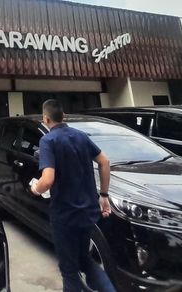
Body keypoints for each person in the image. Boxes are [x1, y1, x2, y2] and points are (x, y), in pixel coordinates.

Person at [31, 100, 116, 292]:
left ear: (45, 118)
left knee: (69, 270)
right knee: (84, 259)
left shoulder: (48, 141)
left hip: (64, 215)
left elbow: (47, 179)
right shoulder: (81, 136)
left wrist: (36, 189)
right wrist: (104, 195)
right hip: (87, 211)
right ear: (64, 116)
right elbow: (105, 161)